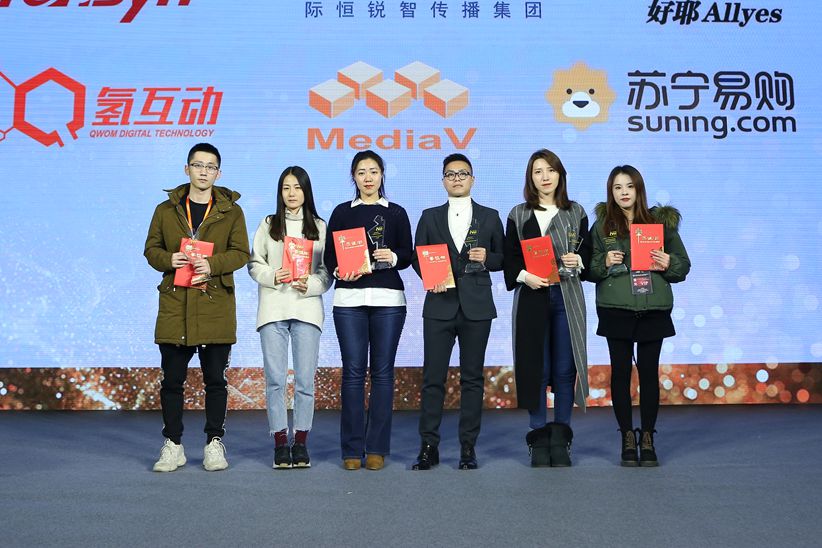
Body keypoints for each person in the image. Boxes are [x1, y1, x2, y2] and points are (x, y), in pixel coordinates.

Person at [144, 143, 250, 472]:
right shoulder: (166, 210)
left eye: (210, 166)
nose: (203, 171)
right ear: (186, 169)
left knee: (215, 381)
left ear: (219, 173)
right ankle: (173, 445)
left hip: (215, 304)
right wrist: (168, 259)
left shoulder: (231, 211)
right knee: (172, 382)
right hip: (176, 304)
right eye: (198, 165)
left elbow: (241, 253)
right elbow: (151, 250)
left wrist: (212, 264)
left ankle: (214, 444)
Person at [588, 165, 690, 466]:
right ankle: (626, 437)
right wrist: (604, 261)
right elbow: (588, 269)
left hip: (653, 309)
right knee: (620, 373)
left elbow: (683, 265)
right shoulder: (602, 225)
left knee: (648, 374)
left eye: (629, 186)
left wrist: (669, 262)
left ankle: (647, 436)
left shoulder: (660, 223)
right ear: (611, 192)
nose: (624, 193)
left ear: (639, 189)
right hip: (615, 309)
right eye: (617, 187)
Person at [411, 153, 504, 470]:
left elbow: (503, 258)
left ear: (473, 179)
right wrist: (430, 277)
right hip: (439, 304)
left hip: (477, 306)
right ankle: (428, 446)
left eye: (463, 173)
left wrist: (487, 257)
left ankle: (468, 447)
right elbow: (418, 257)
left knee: (472, 379)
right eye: (451, 174)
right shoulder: (429, 216)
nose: (457, 178)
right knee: (432, 378)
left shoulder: (490, 216)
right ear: (443, 181)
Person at [323, 150, 413, 471]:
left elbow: (409, 253)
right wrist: (338, 270)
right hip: (349, 300)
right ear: (354, 177)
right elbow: (330, 256)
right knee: (353, 374)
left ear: (382, 175)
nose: (368, 177)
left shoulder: (397, 212)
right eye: (361, 172)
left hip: (388, 300)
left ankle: (376, 448)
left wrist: (394, 257)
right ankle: (351, 449)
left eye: (373, 171)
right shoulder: (342, 212)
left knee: (383, 375)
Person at [503, 149, 592, 467]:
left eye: (551, 170)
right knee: (536, 368)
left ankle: (561, 436)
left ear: (560, 175)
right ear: (530, 177)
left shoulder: (576, 212)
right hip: (531, 296)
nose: (545, 176)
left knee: (565, 369)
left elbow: (589, 254)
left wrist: (579, 260)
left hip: (567, 296)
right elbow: (509, 257)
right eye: (538, 171)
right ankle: (538, 436)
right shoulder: (518, 214)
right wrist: (524, 276)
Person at [248, 166, 331, 469]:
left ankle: (302, 442)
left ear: (306, 191)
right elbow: (254, 263)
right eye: (286, 188)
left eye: (297, 187)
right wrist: (274, 275)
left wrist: (311, 284)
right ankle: (281, 443)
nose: (292, 193)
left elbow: (327, 272)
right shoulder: (268, 224)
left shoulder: (319, 227)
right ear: (279, 192)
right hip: (273, 309)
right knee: (275, 380)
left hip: (307, 309)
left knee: (305, 381)